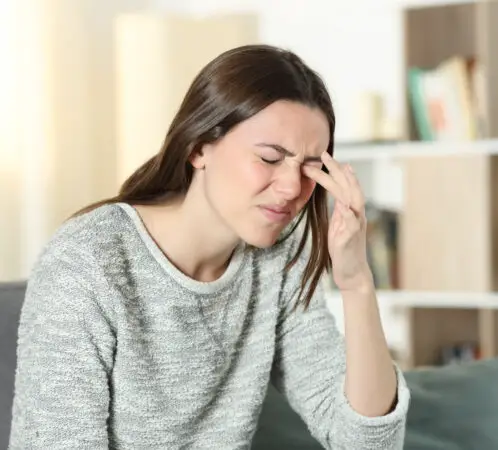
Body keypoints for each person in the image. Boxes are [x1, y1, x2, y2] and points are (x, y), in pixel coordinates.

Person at [9, 44, 409, 449]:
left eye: (309, 168)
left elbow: (366, 443)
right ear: (199, 147)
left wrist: (356, 282)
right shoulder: (87, 262)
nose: (292, 188)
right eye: (270, 158)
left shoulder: (280, 257)